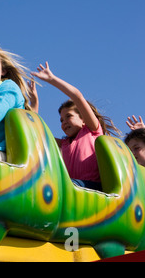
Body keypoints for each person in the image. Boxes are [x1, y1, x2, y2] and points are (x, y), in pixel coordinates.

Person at [31, 62, 121, 191]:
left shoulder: (92, 130)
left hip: (93, 188)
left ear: (83, 119)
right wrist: (35, 103)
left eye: (69, 116)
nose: (64, 122)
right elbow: (37, 131)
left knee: (61, 186)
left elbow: (77, 97)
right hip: (72, 188)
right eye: (61, 120)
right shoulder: (64, 143)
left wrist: (52, 79)